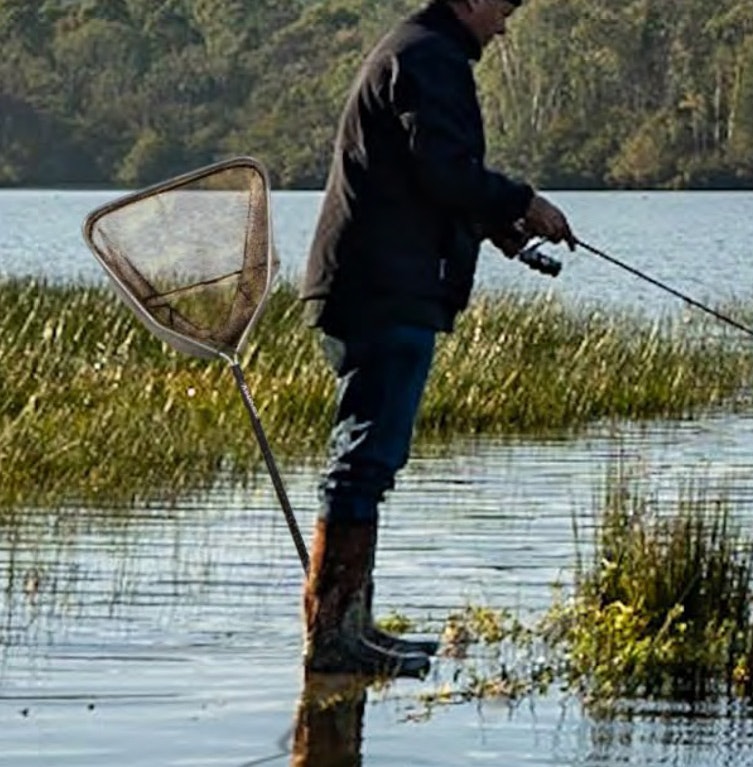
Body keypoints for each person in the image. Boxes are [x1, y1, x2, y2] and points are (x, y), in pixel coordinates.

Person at [299, 0, 575, 677]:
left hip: (385, 284)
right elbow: (445, 168)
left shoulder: (422, 51)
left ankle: (352, 629)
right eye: (502, 9)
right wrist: (523, 202)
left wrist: (498, 227)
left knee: (373, 460)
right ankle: (333, 638)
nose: (504, 24)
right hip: (382, 289)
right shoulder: (427, 57)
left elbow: (424, 179)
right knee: (362, 461)